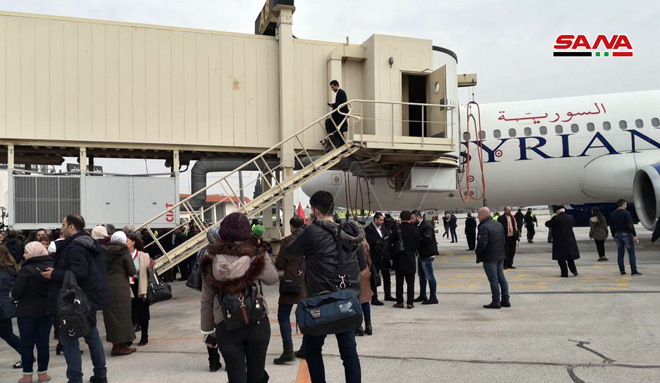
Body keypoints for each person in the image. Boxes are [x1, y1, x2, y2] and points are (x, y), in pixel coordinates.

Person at [284, 191, 363, 383]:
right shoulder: (351, 231)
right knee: (349, 351)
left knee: (312, 350)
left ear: (316, 211)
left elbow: (289, 252)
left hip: (321, 302)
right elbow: (361, 264)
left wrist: (305, 229)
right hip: (346, 300)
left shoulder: (312, 231)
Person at [200, 212, 279, 383]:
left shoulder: (211, 258)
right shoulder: (256, 254)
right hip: (256, 320)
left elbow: (207, 299)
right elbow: (272, 279)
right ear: (246, 232)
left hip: (225, 324)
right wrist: (263, 253)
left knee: (235, 376)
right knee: (257, 375)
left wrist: (208, 330)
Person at [41, 214, 109, 383]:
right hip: (87, 298)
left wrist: (54, 274)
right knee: (92, 335)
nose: (61, 228)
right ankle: (100, 374)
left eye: (63, 224)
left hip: (75, 301)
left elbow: (79, 272)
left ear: (72, 227)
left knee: (69, 339)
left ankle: (75, 379)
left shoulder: (75, 247)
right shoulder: (88, 243)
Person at [13, 242, 54, 383]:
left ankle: (27, 375)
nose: (24, 254)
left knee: (27, 343)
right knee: (43, 343)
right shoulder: (52, 267)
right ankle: (43, 374)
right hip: (46, 310)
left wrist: (13, 296)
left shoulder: (25, 270)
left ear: (33, 252)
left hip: (27, 311)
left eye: (26, 252)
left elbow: (17, 292)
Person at [273, 216, 306, 364]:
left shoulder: (287, 240)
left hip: (290, 283)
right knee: (306, 315)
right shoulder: (310, 239)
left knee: (283, 315)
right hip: (306, 283)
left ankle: (288, 350)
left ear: (291, 226)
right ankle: (305, 348)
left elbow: (280, 264)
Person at [103, 231, 137, 357]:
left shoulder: (105, 251)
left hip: (107, 286)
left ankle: (117, 345)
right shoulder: (124, 251)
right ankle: (120, 346)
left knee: (111, 317)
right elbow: (132, 271)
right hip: (121, 288)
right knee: (123, 315)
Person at [475, 207, 510, 309]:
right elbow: (503, 240)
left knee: (493, 279)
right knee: (501, 278)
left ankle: (496, 301)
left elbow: (482, 243)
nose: (477, 217)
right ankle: (505, 300)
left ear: (482, 215)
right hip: (500, 255)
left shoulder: (484, 227)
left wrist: (477, 253)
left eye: (478, 215)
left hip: (490, 257)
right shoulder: (498, 224)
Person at [126, 232, 154, 347]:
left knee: (143, 312)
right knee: (130, 312)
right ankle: (130, 336)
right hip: (127, 285)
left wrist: (151, 266)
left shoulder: (143, 255)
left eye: (127, 241)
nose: (125, 243)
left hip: (140, 285)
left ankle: (144, 335)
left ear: (133, 242)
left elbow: (149, 273)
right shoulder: (123, 255)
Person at [391, 211, 419, 309]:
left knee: (399, 282)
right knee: (410, 282)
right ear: (410, 218)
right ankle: (410, 302)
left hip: (399, 258)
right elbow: (417, 244)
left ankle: (400, 302)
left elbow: (390, 240)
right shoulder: (414, 229)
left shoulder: (397, 228)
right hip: (410, 259)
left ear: (400, 217)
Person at [0, 245, 22, 369]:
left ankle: (26, 354)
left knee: (7, 334)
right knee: (7, 333)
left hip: (1, 305)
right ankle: (26, 354)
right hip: (7, 304)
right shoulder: (12, 268)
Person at [364, 212, 392, 305]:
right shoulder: (369, 229)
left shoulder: (383, 227)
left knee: (387, 276)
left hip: (384, 255)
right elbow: (372, 241)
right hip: (374, 256)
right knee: (375, 277)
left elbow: (387, 236)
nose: (382, 221)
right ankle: (374, 297)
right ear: (375, 219)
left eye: (383, 220)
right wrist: (383, 239)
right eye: (380, 220)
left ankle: (388, 294)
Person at [545, 207, 580, 278]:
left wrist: (553, 217)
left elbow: (547, 224)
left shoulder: (556, 218)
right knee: (570, 258)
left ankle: (564, 273)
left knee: (561, 259)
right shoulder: (570, 217)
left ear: (558, 211)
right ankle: (574, 271)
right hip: (570, 240)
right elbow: (573, 223)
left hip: (560, 241)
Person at [610, 199, 641, 275]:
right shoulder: (626, 213)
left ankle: (622, 270)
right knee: (631, 253)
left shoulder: (613, 214)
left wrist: (613, 235)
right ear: (623, 205)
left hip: (617, 234)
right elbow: (630, 224)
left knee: (620, 253)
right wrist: (634, 235)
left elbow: (611, 226)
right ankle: (633, 270)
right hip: (626, 233)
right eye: (625, 205)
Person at [414, 211, 438, 305]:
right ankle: (423, 294)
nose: (411, 220)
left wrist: (416, 238)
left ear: (417, 217)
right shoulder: (419, 226)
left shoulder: (426, 225)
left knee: (429, 276)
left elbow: (427, 239)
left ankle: (433, 297)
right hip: (421, 254)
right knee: (422, 276)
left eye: (412, 218)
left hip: (427, 255)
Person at [325, 80, 349, 149]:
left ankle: (342, 143)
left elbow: (341, 103)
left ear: (336, 85)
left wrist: (333, 105)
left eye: (332, 87)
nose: (332, 89)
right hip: (339, 114)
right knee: (337, 129)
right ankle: (342, 143)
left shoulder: (341, 92)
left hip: (340, 115)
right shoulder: (340, 93)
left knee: (337, 128)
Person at [357, 238, 373, 336]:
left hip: (353, 273)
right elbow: (368, 258)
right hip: (364, 272)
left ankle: (358, 326)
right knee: (365, 300)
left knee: (355, 300)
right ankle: (369, 325)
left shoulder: (348, 242)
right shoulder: (364, 242)